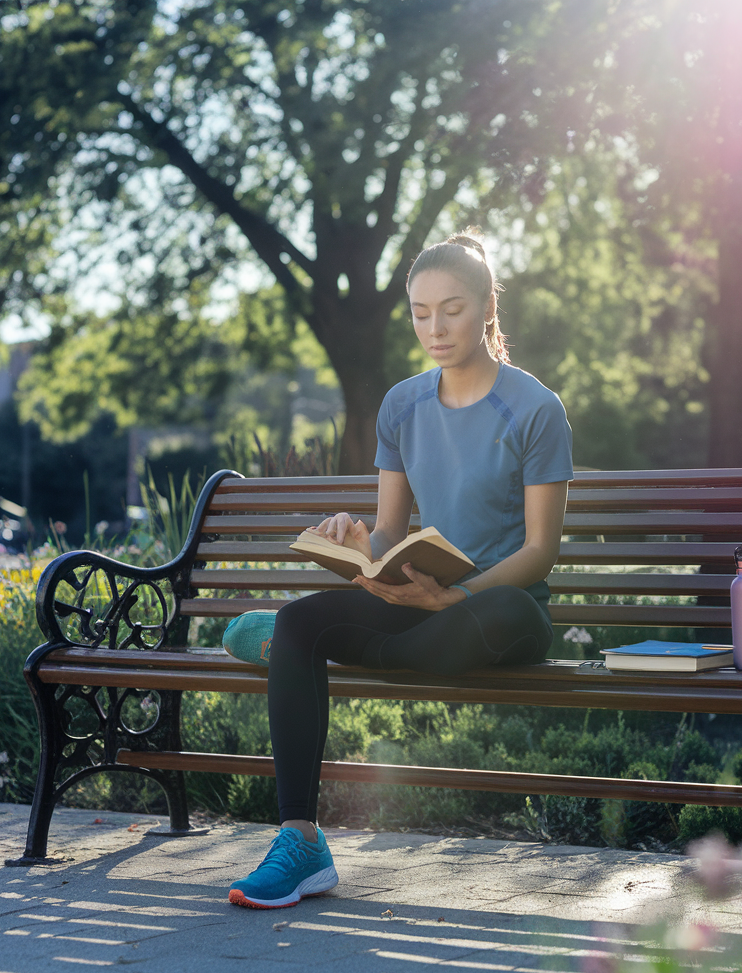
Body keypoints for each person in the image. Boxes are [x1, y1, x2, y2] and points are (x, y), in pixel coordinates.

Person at [228, 230, 574, 909]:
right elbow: (391, 529)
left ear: (487, 309)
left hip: (501, 612)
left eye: (452, 309)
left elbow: (539, 551)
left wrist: (460, 594)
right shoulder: (402, 404)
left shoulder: (536, 409)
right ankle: (300, 841)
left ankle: (286, 651)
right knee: (302, 620)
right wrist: (358, 539)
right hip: (418, 603)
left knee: (485, 615)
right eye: (420, 312)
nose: (435, 328)